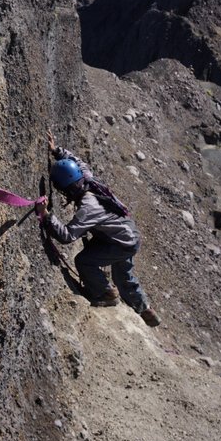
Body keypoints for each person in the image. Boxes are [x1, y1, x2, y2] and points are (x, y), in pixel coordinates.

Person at [35, 132, 160, 328]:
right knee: (124, 276)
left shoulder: (88, 207)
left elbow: (67, 235)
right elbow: (76, 161)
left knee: (84, 261)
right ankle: (144, 308)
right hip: (126, 233)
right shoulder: (87, 178)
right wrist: (56, 151)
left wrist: (48, 215)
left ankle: (105, 294)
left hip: (119, 241)